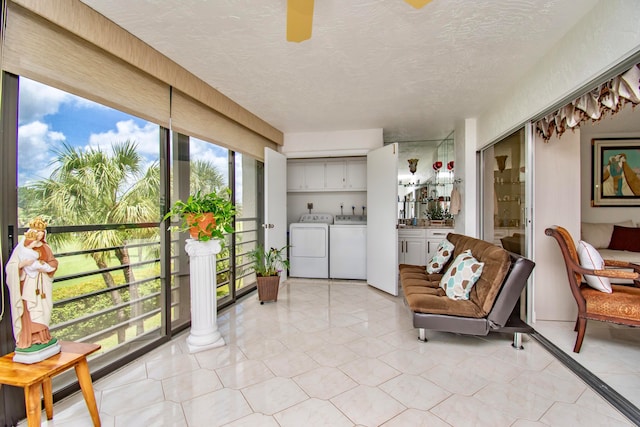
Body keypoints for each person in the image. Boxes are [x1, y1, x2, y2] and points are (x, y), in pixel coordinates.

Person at [5, 216, 58, 349]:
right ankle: (30, 338)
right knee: (29, 309)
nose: (39, 235)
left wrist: (45, 266)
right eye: (36, 232)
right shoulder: (22, 248)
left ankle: (42, 336)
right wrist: (21, 265)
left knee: (43, 310)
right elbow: (11, 266)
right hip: (27, 285)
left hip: (42, 285)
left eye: (41, 232)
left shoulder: (45, 248)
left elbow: (53, 262)